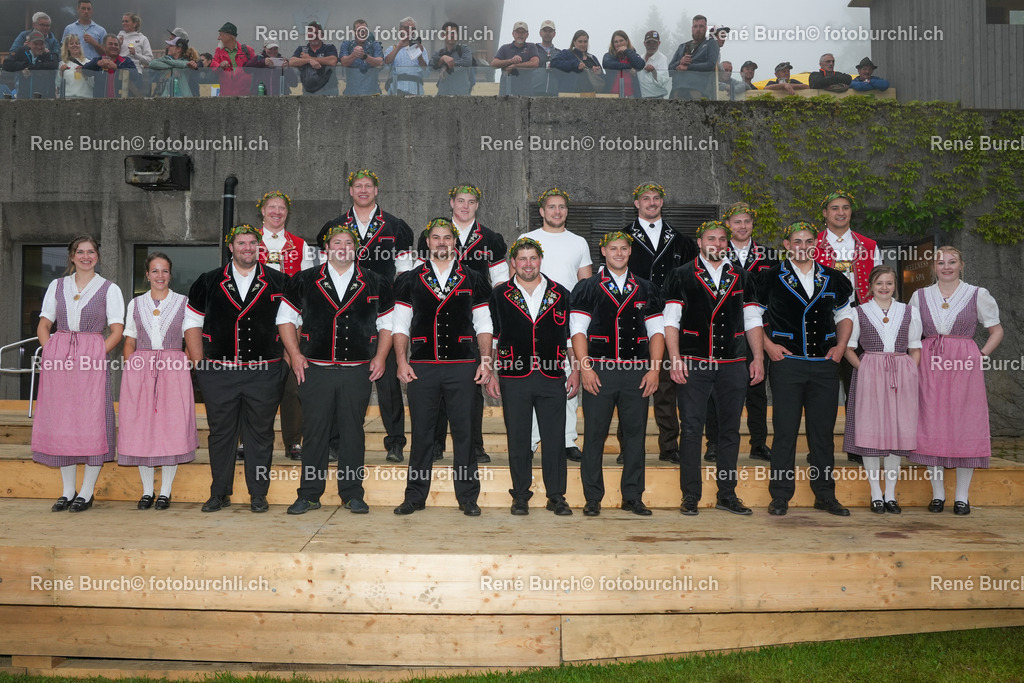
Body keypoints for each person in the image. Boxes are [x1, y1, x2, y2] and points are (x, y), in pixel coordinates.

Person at [278, 225, 394, 515]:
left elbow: (388, 325)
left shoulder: (376, 281)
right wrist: (294, 355)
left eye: (348, 243)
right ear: (326, 249)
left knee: (353, 433)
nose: (343, 247)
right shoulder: (303, 280)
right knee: (314, 433)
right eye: (337, 242)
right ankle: (309, 494)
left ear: (356, 249)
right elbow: (285, 320)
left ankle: (352, 493)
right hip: (315, 370)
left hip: (357, 371)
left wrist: (380, 357)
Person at [184, 225, 290, 513]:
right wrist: (199, 366)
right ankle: (220, 492)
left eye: (252, 243)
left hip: (264, 371)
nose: (247, 248)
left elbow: (290, 323)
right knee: (221, 434)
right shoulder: (208, 281)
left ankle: (258, 493)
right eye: (241, 243)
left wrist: (287, 363)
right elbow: (191, 323)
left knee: (261, 434)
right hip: (219, 372)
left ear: (259, 247)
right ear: (231, 247)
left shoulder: (279, 281)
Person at [392, 218, 494, 516]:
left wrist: (486, 361)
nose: (441, 242)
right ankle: (414, 496)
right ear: (427, 243)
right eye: (435, 237)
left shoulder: (474, 278)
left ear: (454, 242)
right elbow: (400, 325)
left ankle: (467, 497)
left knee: (464, 433)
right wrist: (401, 360)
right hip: (422, 366)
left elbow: (484, 324)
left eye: (446, 237)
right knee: (422, 433)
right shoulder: (409, 279)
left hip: (463, 366)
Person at [752, 222, 854, 517]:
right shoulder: (769, 277)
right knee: (785, 432)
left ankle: (825, 495)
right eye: (797, 241)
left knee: (822, 434)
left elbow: (846, 314)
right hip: (788, 365)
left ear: (816, 244)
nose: (803, 246)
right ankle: (781, 495)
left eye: (809, 241)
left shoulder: (834, 278)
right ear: (786, 244)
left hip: (824, 365)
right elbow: (753, 316)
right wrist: (769, 347)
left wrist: (841, 346)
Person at [664, 221, 764, 516]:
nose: (718, 244)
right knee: (692, 429)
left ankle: (727, 494)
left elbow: (753, 320)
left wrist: (757, 358)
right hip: (694, 362)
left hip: (733, 363)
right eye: (712, 238)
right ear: (699, 241)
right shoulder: (681, 275)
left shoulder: (742, 276)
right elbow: (671, 321)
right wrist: (675, 358)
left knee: (730, 431)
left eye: (722, 239)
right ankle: (690, 495)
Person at [316, 170, 416, 462]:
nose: (363, 190)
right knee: (340, 380)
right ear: (350, 191)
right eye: (357, 186)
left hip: (383, 312)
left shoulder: (396, 226)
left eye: (368, 186)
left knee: (388, 382)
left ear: (376, 190)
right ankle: (334, 442)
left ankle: (395, 441)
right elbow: (324, 274)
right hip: (345, 315)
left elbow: (405, 274)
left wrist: (397, 312)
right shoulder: (334, 227)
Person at [571, 231, 665, 517]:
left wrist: (655, 370)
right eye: (614, 248)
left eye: (624, 248)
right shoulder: (587, 287)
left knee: (636, 436)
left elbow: (657, 332)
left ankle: (633, 496)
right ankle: (592, 498)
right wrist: (585, 368)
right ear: (604, 251)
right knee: (595, 436)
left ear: (630, 251)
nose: (620, 253)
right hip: (600, 371)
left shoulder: (647, 288)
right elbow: (577, 331)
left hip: (637, 372)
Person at [415, 184, 508, 463]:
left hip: (474, 317)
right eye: (460, 201)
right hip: (434, 319)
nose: (465, 206)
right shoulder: (429, 235)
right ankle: (435, 444)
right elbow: (418, 275)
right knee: (436, 385)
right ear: (451, 203)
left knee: (471, 385)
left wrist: (496, 322)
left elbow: (501, 282)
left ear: (477, 205)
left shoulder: (491, 238)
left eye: (471, 202)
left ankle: (475, 445)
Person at [32, 236, 124, 513]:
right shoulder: (56, 285)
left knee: (92, 421)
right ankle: (67, 491)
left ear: (98, 256)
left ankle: (86, 492)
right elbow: (44, 324)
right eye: (80, 252)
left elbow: (117, 330)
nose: (86, 256)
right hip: (59, 359)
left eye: (91, 252)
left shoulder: (110, 289)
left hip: (91, 358)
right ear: (71, 256)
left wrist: (95, 355)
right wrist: (52, 352)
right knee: (63, 423)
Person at [908, 247, 1002, 515]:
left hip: (964, 362)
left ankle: (962, 497)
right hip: (928, 362)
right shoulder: (920, 295)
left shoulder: (977, 294)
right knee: (930, 421)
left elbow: (996, 330)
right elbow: (913, 335)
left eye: (951, 262)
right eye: (940, 263)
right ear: (933, 267)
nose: (946, 267)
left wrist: (980, 355)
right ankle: (938, 495)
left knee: (965, 423)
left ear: (961, 264)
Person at [487, 237, 577, 515]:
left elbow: (570, 337)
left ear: (540, 260)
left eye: (533, 258)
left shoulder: (561, 293)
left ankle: (556, 496)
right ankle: (521, 495)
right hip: (514, 375)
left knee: (554, 438)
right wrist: (490, 372)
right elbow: (493, 337)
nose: (528, 264)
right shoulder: (500, 295)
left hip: (552, 375)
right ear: (513, 263)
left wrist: (574, 371)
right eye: (522, 259)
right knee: (518, 437)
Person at [622, 182, 698, 465]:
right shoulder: (622, 238)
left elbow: (692, 284)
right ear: (636, 204)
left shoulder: (682, 241)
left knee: (666, 387)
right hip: (632, 321)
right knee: (629, 386)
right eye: (645, 198)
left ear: (662, 203)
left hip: (668, 321)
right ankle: (627, 448)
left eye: (656, 198)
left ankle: (669, 446)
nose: (651, 203)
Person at [118, 253, 198, 510]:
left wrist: (183, 361)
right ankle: (147, 490)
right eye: (155, 271)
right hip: (141, 370)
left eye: (164, 271)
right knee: (141, 428)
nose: (160, 276)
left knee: (170, 427)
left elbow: (192, 336)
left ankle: (165, 491)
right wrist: (132, 364)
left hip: (173, 369)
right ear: (147, 275)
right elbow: (129, 339)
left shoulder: (183, 302)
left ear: (170, 274)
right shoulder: (136, 303)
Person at [518, 188, 593, 462]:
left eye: (562, 207)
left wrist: (581, 320)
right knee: (532, 381)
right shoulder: (527, 240)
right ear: (542, 211)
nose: (557, 211)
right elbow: (514, 277)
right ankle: (531, 440)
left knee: (569, 379)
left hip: (566, 319)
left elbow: (585, 285)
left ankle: (566, 439)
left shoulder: (579, 242)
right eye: (551, 207)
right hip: (532, 320)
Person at [842, 266, 922, 514]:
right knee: (871, 433)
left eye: (889, 283)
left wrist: (909, 370)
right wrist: (864, 368)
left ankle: (890, 493)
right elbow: (848, 347)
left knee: (895, 434)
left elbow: (915, 346)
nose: (884, 288)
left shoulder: (909, 311)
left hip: (900, 376)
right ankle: (876, 493)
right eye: (879, 284)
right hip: (871, 374)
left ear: (895, 285)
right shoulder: (859, 312)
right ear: (870, 287)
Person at [813, 190, 882, 463]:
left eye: (845, 208)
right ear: (825, 213)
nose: (840, 212)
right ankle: (821, 449)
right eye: (834, 208)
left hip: (862, 320)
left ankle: (858, 446)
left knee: (859, 385)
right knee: (821, 388)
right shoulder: (812, 243)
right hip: (824, 322)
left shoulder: (869, 244)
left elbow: (880, 284)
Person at [706, 202, 776, 463]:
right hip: (724, 331)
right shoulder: (717, 255)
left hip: (758, 330)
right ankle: (713, 442)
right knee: (715, 390)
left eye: (747, 221)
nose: (743, 226)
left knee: (756, 388)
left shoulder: (769, 256)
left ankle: (758, 442)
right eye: (737, 222)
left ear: (752, 224)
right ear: (729, 225)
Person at [256, 191, 316, 461]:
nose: (277, 212)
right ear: (263, 211)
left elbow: (307, 287)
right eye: (272, 207)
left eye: (282, 208)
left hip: (293, 323)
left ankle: (294, 441)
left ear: (287, 213)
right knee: (257, 385)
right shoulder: (247, 241)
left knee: (294, 385)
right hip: (257, 324)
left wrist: (302, 325)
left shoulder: (301, 245)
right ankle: (251, 440)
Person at [668, 14, 719, 99]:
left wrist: (688, 68)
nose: (698, 29)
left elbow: (711, 65)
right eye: (695, 26)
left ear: (706, 28)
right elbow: (669, 70)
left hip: (698, 92)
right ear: (692, 28)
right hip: (677, 91)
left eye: (701, 26)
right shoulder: (682, 47)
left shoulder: (711, 43)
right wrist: (680, 62)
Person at [3, 31, 59, 99]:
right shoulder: (21, 51)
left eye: (41, 44)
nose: (39, 47)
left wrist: (29, 68)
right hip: (23, 97)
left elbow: (54, 65)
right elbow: (6, 64)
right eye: (35, 44)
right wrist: (23, 67)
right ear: (29, 44)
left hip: (43, 99)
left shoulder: (48, 54)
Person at [492, 21, 540, 96]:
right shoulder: (505, 48)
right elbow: (494, 64)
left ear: (527, 35)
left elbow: (535, 63)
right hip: (506, 90)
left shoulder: (531, 46)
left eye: (523, 32)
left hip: (526, 91)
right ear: (513, 34)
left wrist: (515, 66)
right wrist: (510, 60)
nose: (520, 35)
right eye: (518, 32)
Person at [290, 22, 338, 96]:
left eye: (316, 33)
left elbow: (333, 61)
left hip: (329, 90)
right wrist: (309, 60)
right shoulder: (301, 49)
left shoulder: (329, 47)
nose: (314, 35)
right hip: (309, 92)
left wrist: (309, 57)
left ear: (322, 35)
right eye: (311, 33)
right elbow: (291, 62)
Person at [82, 34, 137, 98]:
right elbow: (84, 70)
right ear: (104, 47)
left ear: (119, 48)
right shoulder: (98, 60)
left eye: (116, 45)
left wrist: (117, 68)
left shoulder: (126, 61)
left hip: (122, 103)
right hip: (100, 103)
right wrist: (96, 64)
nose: (113, 46)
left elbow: (135, 75)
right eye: (110, 44)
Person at [384, 17, 427, 96]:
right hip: (396, 91)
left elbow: (425, 71)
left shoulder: (421, 48)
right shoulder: (392, 48)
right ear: (400, 29)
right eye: (407, 28)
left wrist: (419, 54)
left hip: (416, 91)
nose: (409, 30)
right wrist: (399, 47)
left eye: (412, 28)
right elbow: (386, 63)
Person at [339, 19, 384, 96]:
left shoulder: (374, 45)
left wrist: (364, 56)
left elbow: (380, 62)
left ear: (367, 32)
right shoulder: (347, 44)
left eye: (364, 30)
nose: (361, 33)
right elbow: (343, 62)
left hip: (372, 92)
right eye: (358, 30)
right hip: (352, 92)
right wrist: (354, 55)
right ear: (354, 32)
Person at [430, 21, 474, 96]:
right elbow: (431, 67)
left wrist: (447, 66)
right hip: (443, 95)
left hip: (461, 96)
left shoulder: (464, 49)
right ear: (443, 35)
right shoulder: (439, 53)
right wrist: (442, 58)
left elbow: (468, 61)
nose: (451, 35)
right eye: (448, 33)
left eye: (454, 33)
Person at [211, 22, 255, 96]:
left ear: (230, 36)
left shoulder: (247, 50)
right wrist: (220, 66)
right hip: (225, 96)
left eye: (221, 35)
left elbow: (255, 67)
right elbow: (213, 66)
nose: (218, 38)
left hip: (245, 95)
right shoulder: (218, 51)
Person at [602, 30, 645, 98]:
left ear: (627, 41)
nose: (619, 44)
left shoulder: (632, 55)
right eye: (616, 42)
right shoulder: (609, 55)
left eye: (621, 40)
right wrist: (628, 67)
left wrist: (627, 51)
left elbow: (640, 64)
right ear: (613, 44)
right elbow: (606, 64)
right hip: (612, 96)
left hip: (631, 96)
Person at [638, 30, 670, 99]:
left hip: (657, 99)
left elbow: (663, 82)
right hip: (640, 99)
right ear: (644, 43)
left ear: (659, 43)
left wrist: (654, 71)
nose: (651, 45)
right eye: (649, 42)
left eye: (654, 43)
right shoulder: (640, 58)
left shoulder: (662, 59)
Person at [58, 34, 92, 98]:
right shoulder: (61, 64)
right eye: (71, 43)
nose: (75, 45)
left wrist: (85, 74)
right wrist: (61, 73)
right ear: (67, 47)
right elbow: (57, 85)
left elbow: (94, 84)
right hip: (68, 99)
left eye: (77, 43)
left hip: (86, 99)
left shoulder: (88, 62)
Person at [533, 19, 560, 96]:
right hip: (534, 92)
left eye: (550, 31)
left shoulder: (559, 53)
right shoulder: (532, 49)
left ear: (554, 34)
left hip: (553, 93)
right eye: (545, 31)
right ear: (540, 33)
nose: (547, 33)